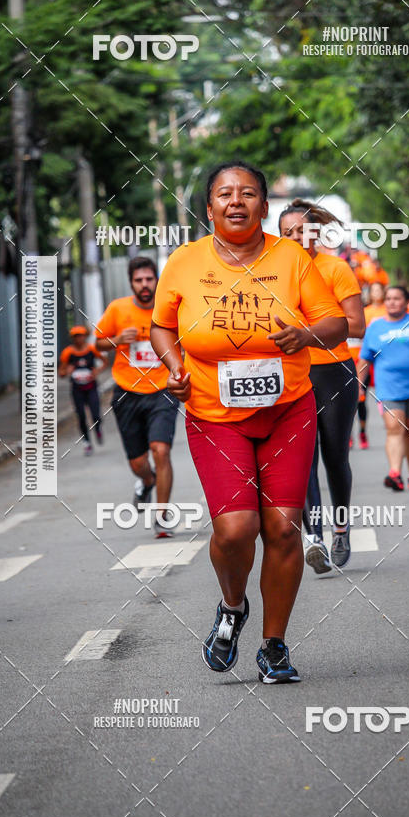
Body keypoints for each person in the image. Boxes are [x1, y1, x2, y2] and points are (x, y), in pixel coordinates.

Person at [150, 161, 347, 683]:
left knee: (283, 528)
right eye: (224, 194)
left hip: (288, 409)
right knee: (236, 529)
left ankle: (275, 645)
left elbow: (337, 322)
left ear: (265, 204)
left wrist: (306, 336)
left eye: (248, 194)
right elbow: (162, 327)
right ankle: (232, 607)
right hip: (215, 414)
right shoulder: (185, 262)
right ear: (209, 205)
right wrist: (173, 366)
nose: (236, 202)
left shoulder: (292, 258)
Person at [279, 199, 364, 573]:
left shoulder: (335, 268)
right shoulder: (274, 275)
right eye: (288, 233)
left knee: (334, 457)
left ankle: (341, 529)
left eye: (302, 230)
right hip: (292, 375)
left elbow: (357, 325)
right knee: (303, 461)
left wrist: (306, 334)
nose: (297, 237)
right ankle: (314, 537)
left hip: (334, 373)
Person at [95, 256, 180, 537]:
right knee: (138, 463)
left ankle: (162, 516)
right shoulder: (118, 310)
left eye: (149, 279)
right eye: (138, 280)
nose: (144, 285)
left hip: (162, 389)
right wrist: (117, 340)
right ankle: (146, 481)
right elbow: (97, 344)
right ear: (131, 282)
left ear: (156, 280)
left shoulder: (168, 310)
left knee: (161, 450)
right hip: (127, 391)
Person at [357, 285, 409, 491]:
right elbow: (364, 359)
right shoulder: (375, 328)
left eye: (396, 298)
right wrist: (359, 384)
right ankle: (395, 473)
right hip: (388, 388)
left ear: (406, 302)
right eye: (388, 299)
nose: (392, 302)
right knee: (395, 428)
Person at [58, 326, 108, 455]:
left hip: (91, 387)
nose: (78, 338)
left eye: (80, 335)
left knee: (95, 413)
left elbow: (104, 361)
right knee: (81, 416)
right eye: (76, 336)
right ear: (72, 338)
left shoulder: (91, 349)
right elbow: (61, 372)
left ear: (85, 336)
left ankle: (98, 429)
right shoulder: (68, 352)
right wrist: (66, 372)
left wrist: (97, 371)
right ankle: (87, 443)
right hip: (77, 389)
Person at [353, 281, 388, 450]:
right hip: (363, 359)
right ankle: (356, 433)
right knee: (359, 397)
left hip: (381, 359)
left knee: (384, 392)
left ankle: (390, 417)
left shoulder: (388, 312)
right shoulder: (364, 312)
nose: (376, 293)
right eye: (373, 290)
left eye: (378, 290)